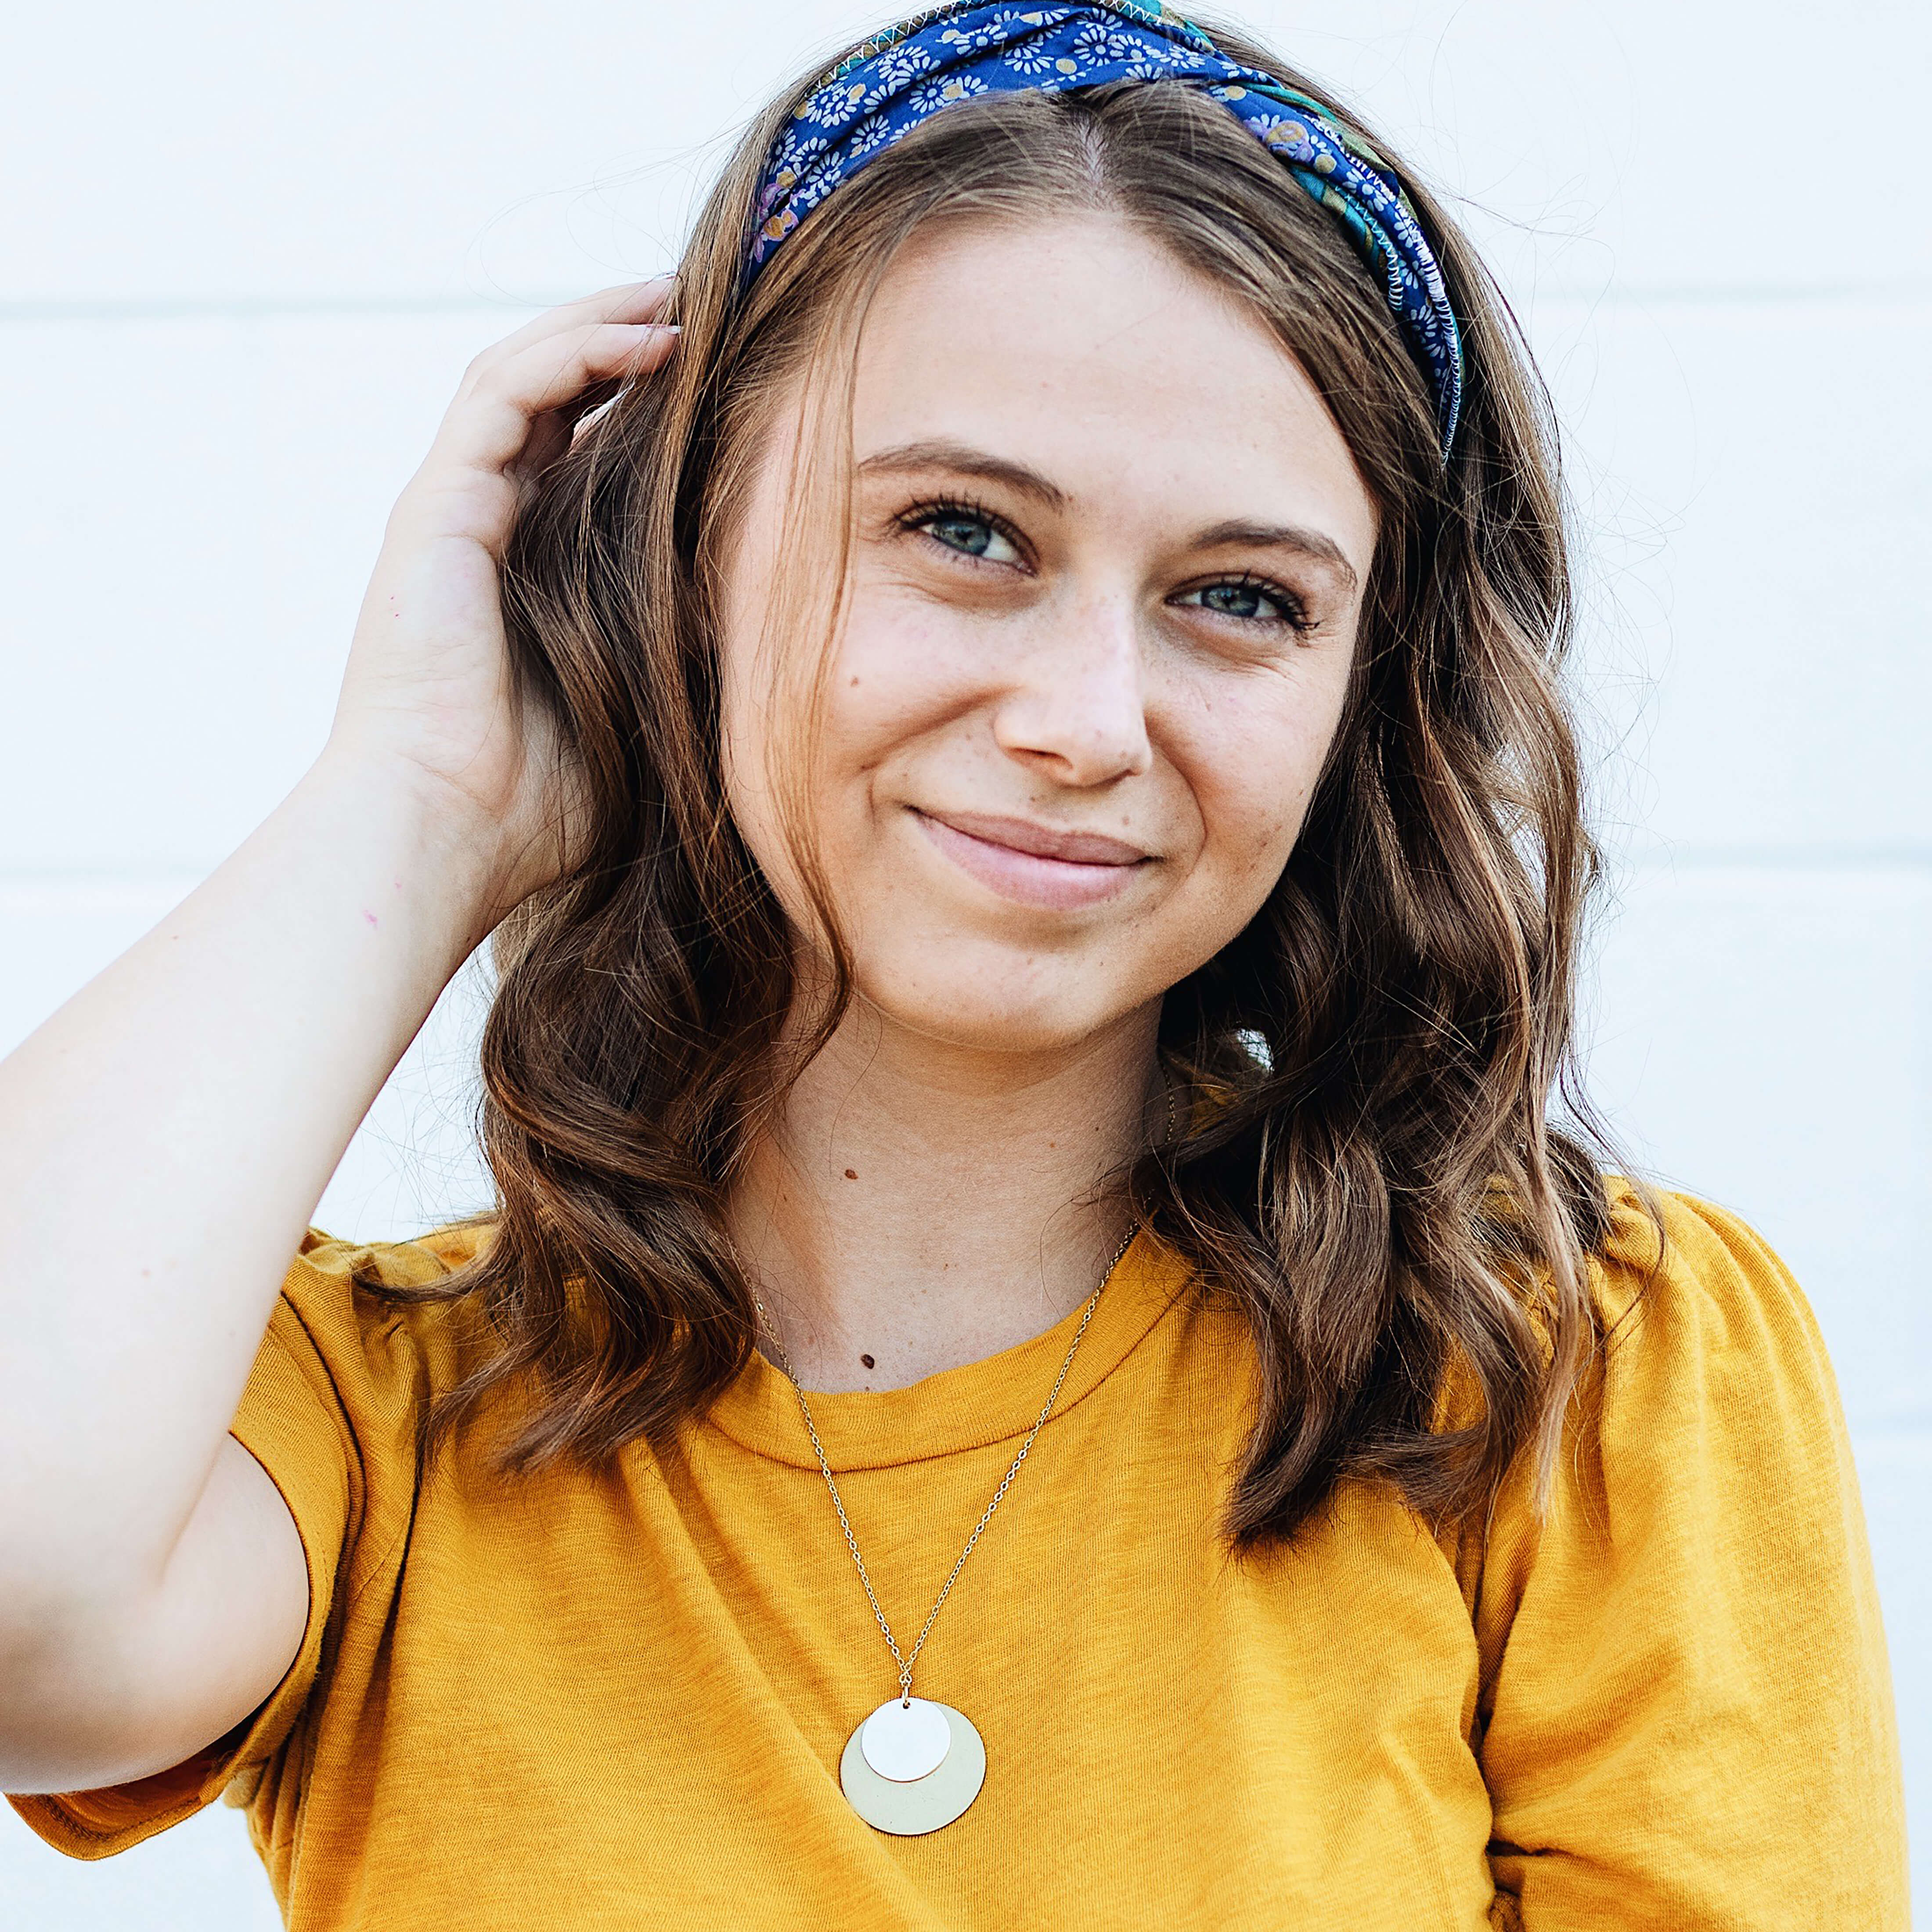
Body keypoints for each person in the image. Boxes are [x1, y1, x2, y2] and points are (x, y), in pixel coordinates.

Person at [0, 2, 1907, 1925]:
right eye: (963, 531)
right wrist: (419, 796)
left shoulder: (1573, 1368)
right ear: (680, 555)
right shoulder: (373, 1420)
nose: (1087, 717)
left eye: (1239, 599)